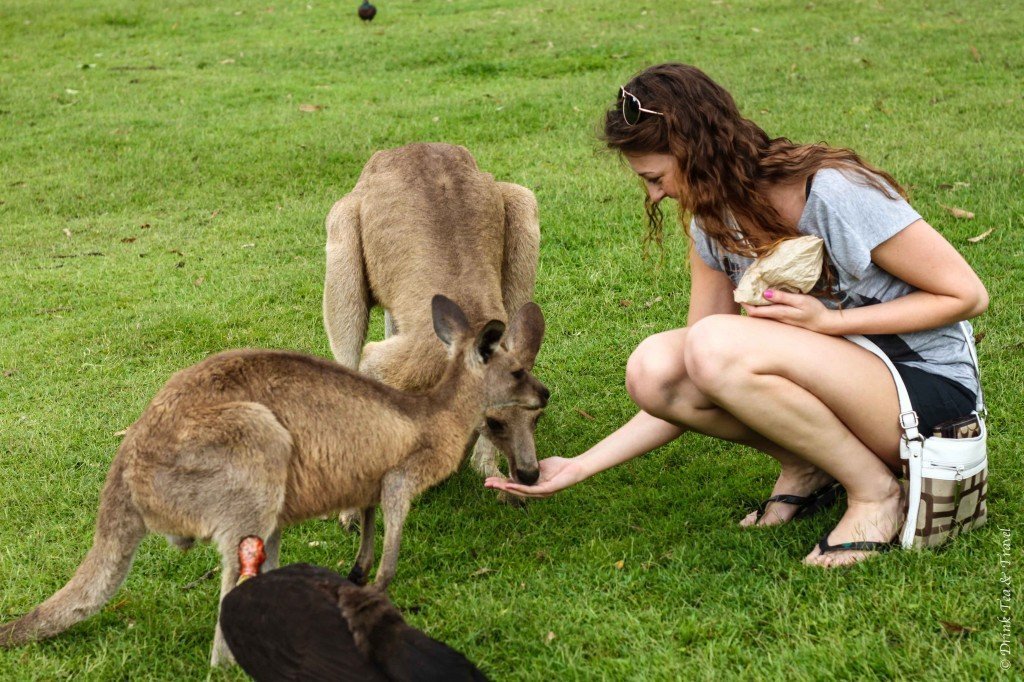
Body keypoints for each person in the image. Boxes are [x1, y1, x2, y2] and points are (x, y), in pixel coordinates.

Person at [485, 63, 988, 567]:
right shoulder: (712, 224)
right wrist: (580, 465)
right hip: (848, 392)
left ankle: (876, 494)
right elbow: (690, 373)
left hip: (929, 404)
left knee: (711, 343)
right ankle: (808, 464)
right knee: (655, 368)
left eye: (656, 177)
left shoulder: (833, 192)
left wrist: (831, 322)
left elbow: (966, 295)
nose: (655, 195)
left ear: (693, 149)